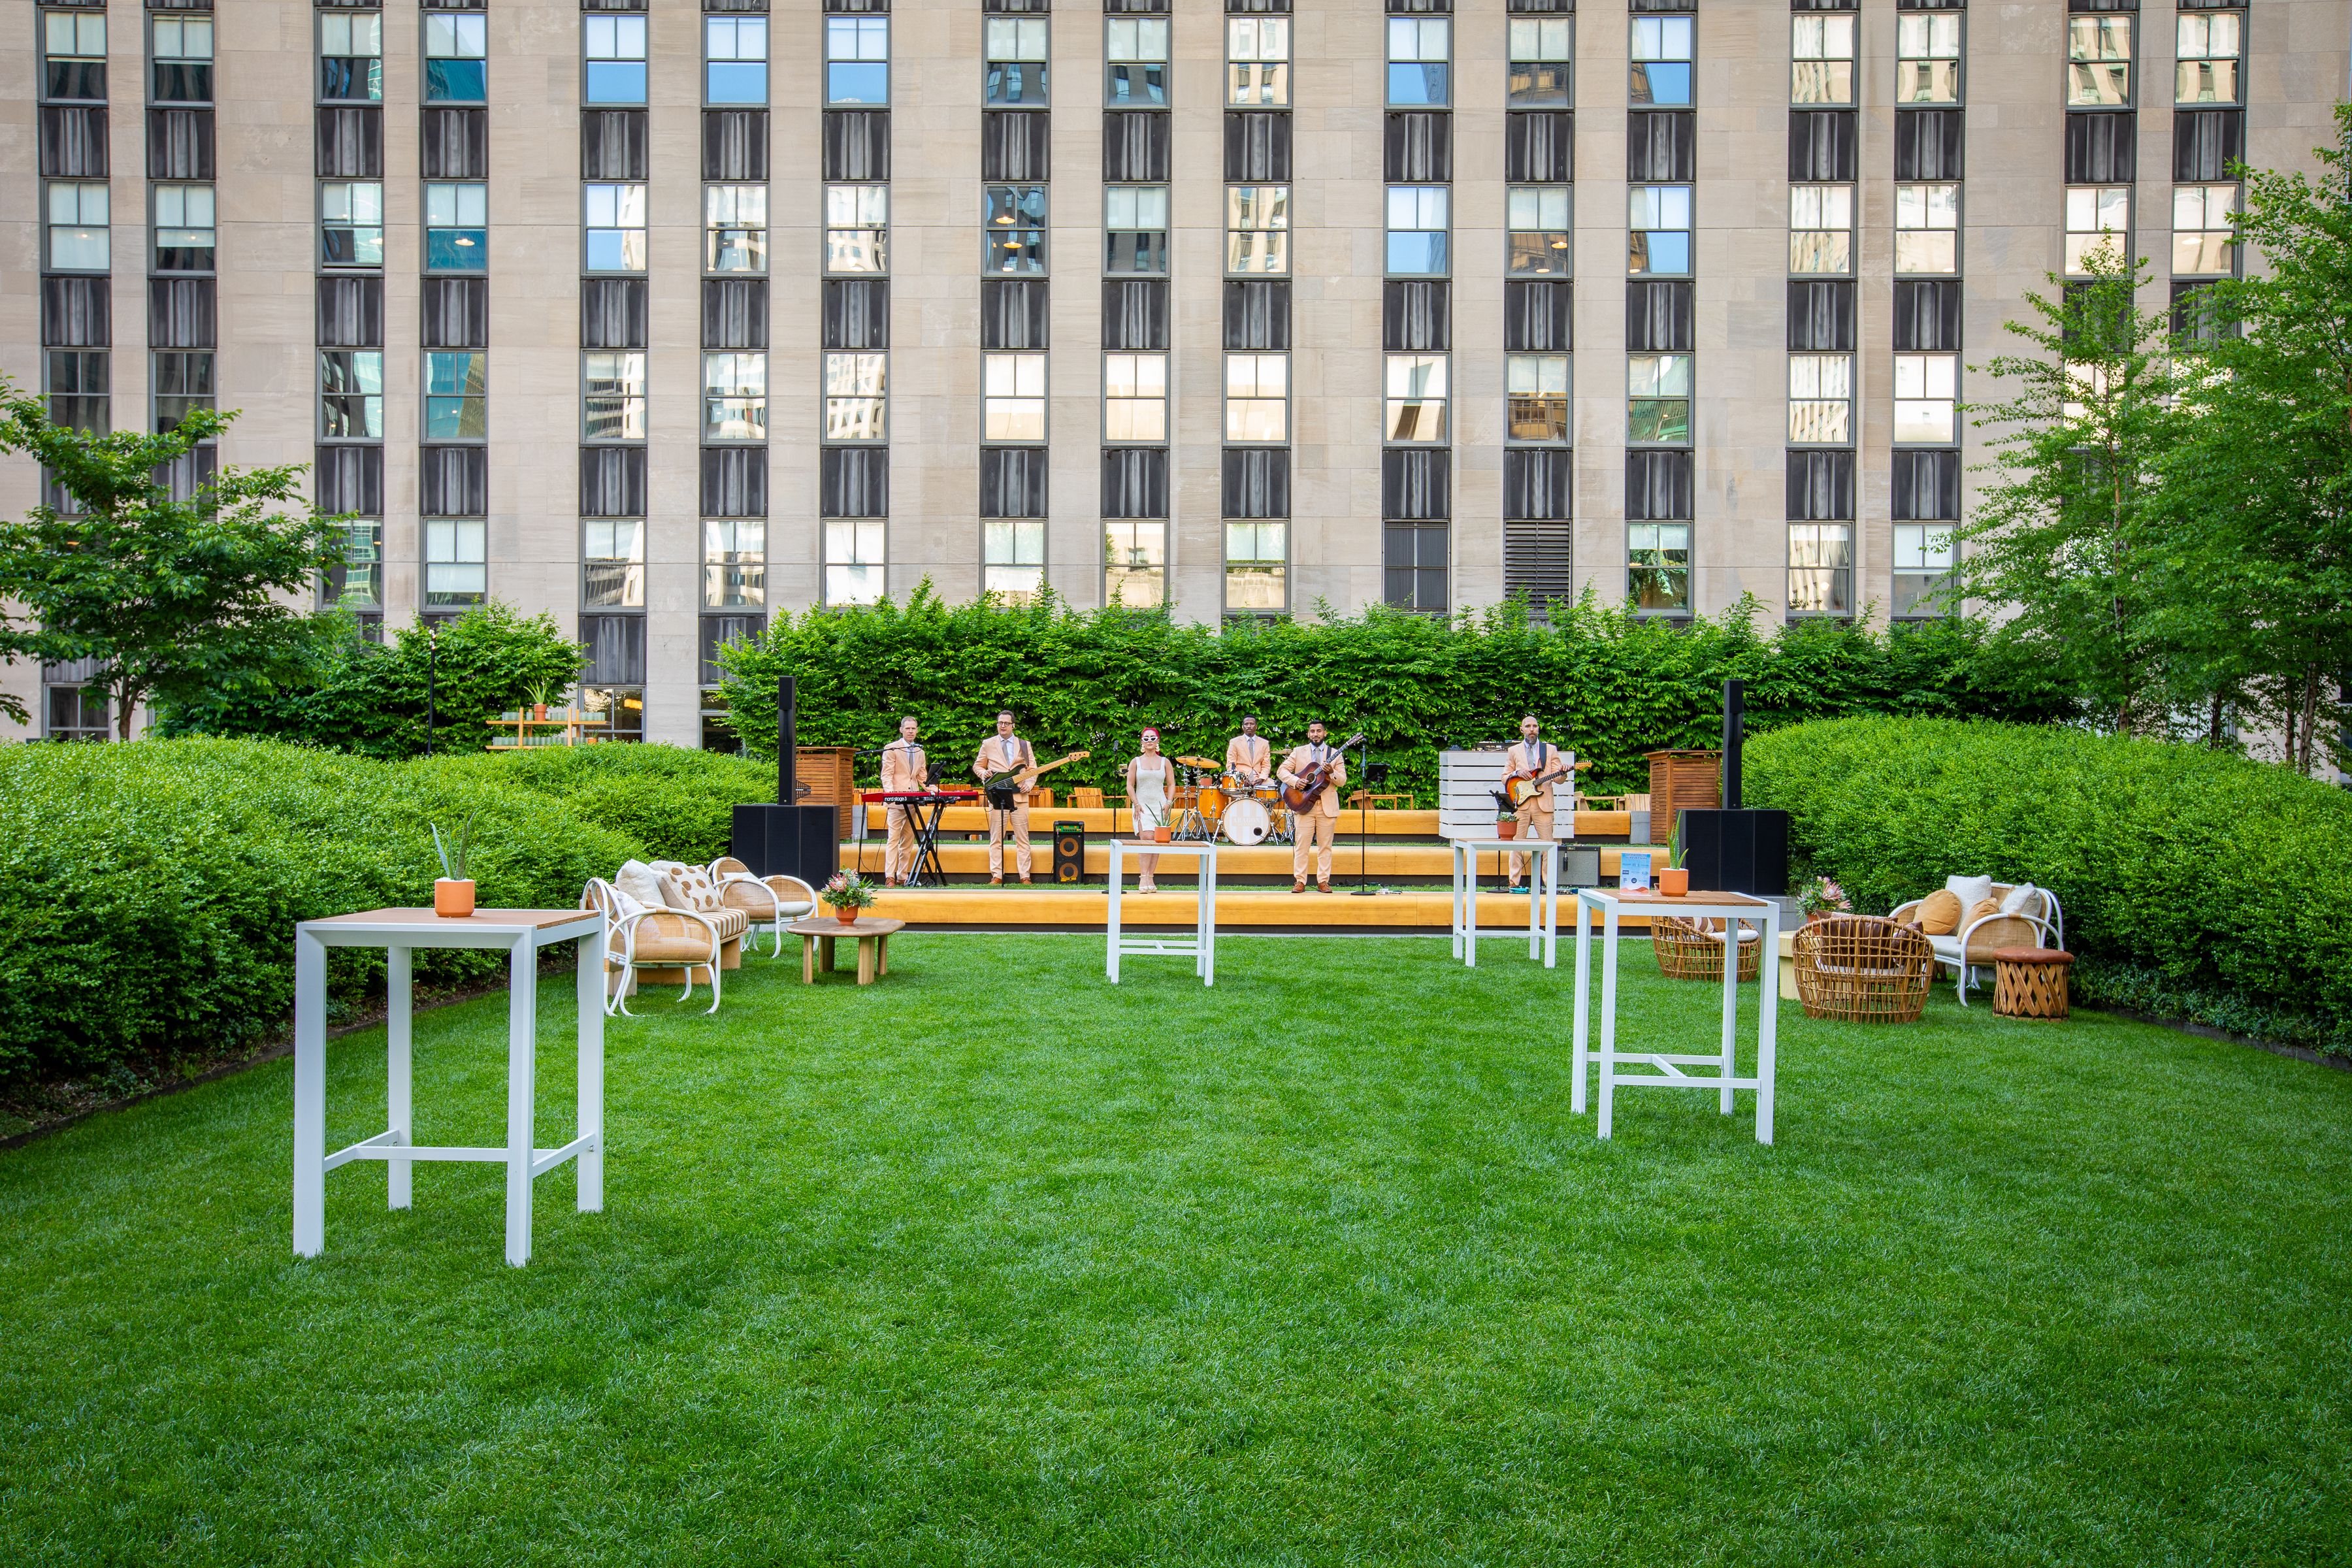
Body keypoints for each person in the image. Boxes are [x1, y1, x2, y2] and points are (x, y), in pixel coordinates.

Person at [1278, 721, 1347, 893]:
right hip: (1303, 805)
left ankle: (1323, 881)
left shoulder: (1335, 754)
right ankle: (1300, 881)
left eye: (1319, 731)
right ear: (1308, 734)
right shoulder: (1298, 751)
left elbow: (1343, 781)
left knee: (1325, 846)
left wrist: (1331, 772)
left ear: (1325, 733)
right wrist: (1296, 781)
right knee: (1302, 846)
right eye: (1312, 731)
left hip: (1327, 807)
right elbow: (1282, 771)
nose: (1315, 734)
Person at [1502, 713, 1569, 890]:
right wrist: (1516, 774)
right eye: (1528, 726)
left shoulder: (1550, 750)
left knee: (1548, 846)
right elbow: (1504, 778)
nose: (1532, 729)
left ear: (1539, 729)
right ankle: (1513, 884)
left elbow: (1559, 779)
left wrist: (1563, 772)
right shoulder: (1513, 751)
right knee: (1517, 844)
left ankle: (1549, 884)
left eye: (1535, 726)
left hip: (1544, 804)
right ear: (1522, 729)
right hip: (1522, 804)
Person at [972, 710, 1034, 885]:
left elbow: (1033, 769)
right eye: (1000, 723)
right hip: (997, 797)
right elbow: (977, 766)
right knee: (996, 838)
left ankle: (1025, 876)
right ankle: (997, 875)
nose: (1003, 726)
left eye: (1006, 723)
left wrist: (1028, 784)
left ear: (1013, 725)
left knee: (1023, 838)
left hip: (1019, 798)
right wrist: (984, 773)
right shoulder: (988, 743)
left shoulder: (1024, 745)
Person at [879, 715, 927, 886]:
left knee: (908, 840)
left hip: (913, 801)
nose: (911, 731)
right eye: (908, 728)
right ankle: (889, 876)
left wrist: (934, 790)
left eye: (914, 728)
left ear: (917, 730)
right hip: (896, 801)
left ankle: (902, 875)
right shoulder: (891, 748)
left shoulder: (920, 751)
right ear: (901, 730)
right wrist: (891, 794)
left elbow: (923, 778)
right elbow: (887, 774)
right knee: (893, 839)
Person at [1126, 727, 1173, 894]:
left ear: (1158, 740)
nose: (1149, 741)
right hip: (1142, 804)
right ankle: (1143, 876)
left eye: (1152, 738)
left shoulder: (1165, 762)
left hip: (1160, 805)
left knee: (1158, 840)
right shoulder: (1135, 762)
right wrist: (1136, 803)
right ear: (1142, 742)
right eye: (1146, 739)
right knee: (1146, 838)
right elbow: (1129, 785)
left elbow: (1172, 784)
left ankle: (1151, 876)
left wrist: (1169, 802)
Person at [1224, 715, 1274, 791]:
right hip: (1240, 779)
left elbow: (1266, 765)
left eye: (1252, 724)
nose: (1249, 726)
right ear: (1243, 727)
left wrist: (1262, 778)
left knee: (1272, 787)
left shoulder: (1264, 743)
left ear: (1256, 727)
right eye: (1246, 724)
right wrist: (1241, 779)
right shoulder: (1234, 742)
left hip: (1258, 779)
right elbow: (1231, 764)